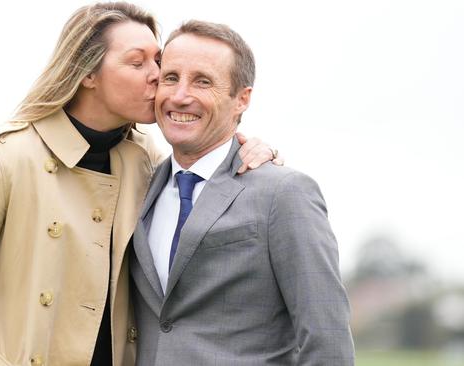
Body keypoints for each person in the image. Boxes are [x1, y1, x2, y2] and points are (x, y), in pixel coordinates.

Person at [0, 3, 278, 366]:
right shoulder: (2, 158)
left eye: (157, 61)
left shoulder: (147, 161)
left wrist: (248, 149)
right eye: (138, 63)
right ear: (88, 73)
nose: (157, 75)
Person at [129, 20, 355, 365]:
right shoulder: (139, 186)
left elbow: (328, 341)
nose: (179, 96)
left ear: (241, 99)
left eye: (202, 81)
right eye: (171, 78)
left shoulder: (284, 193)